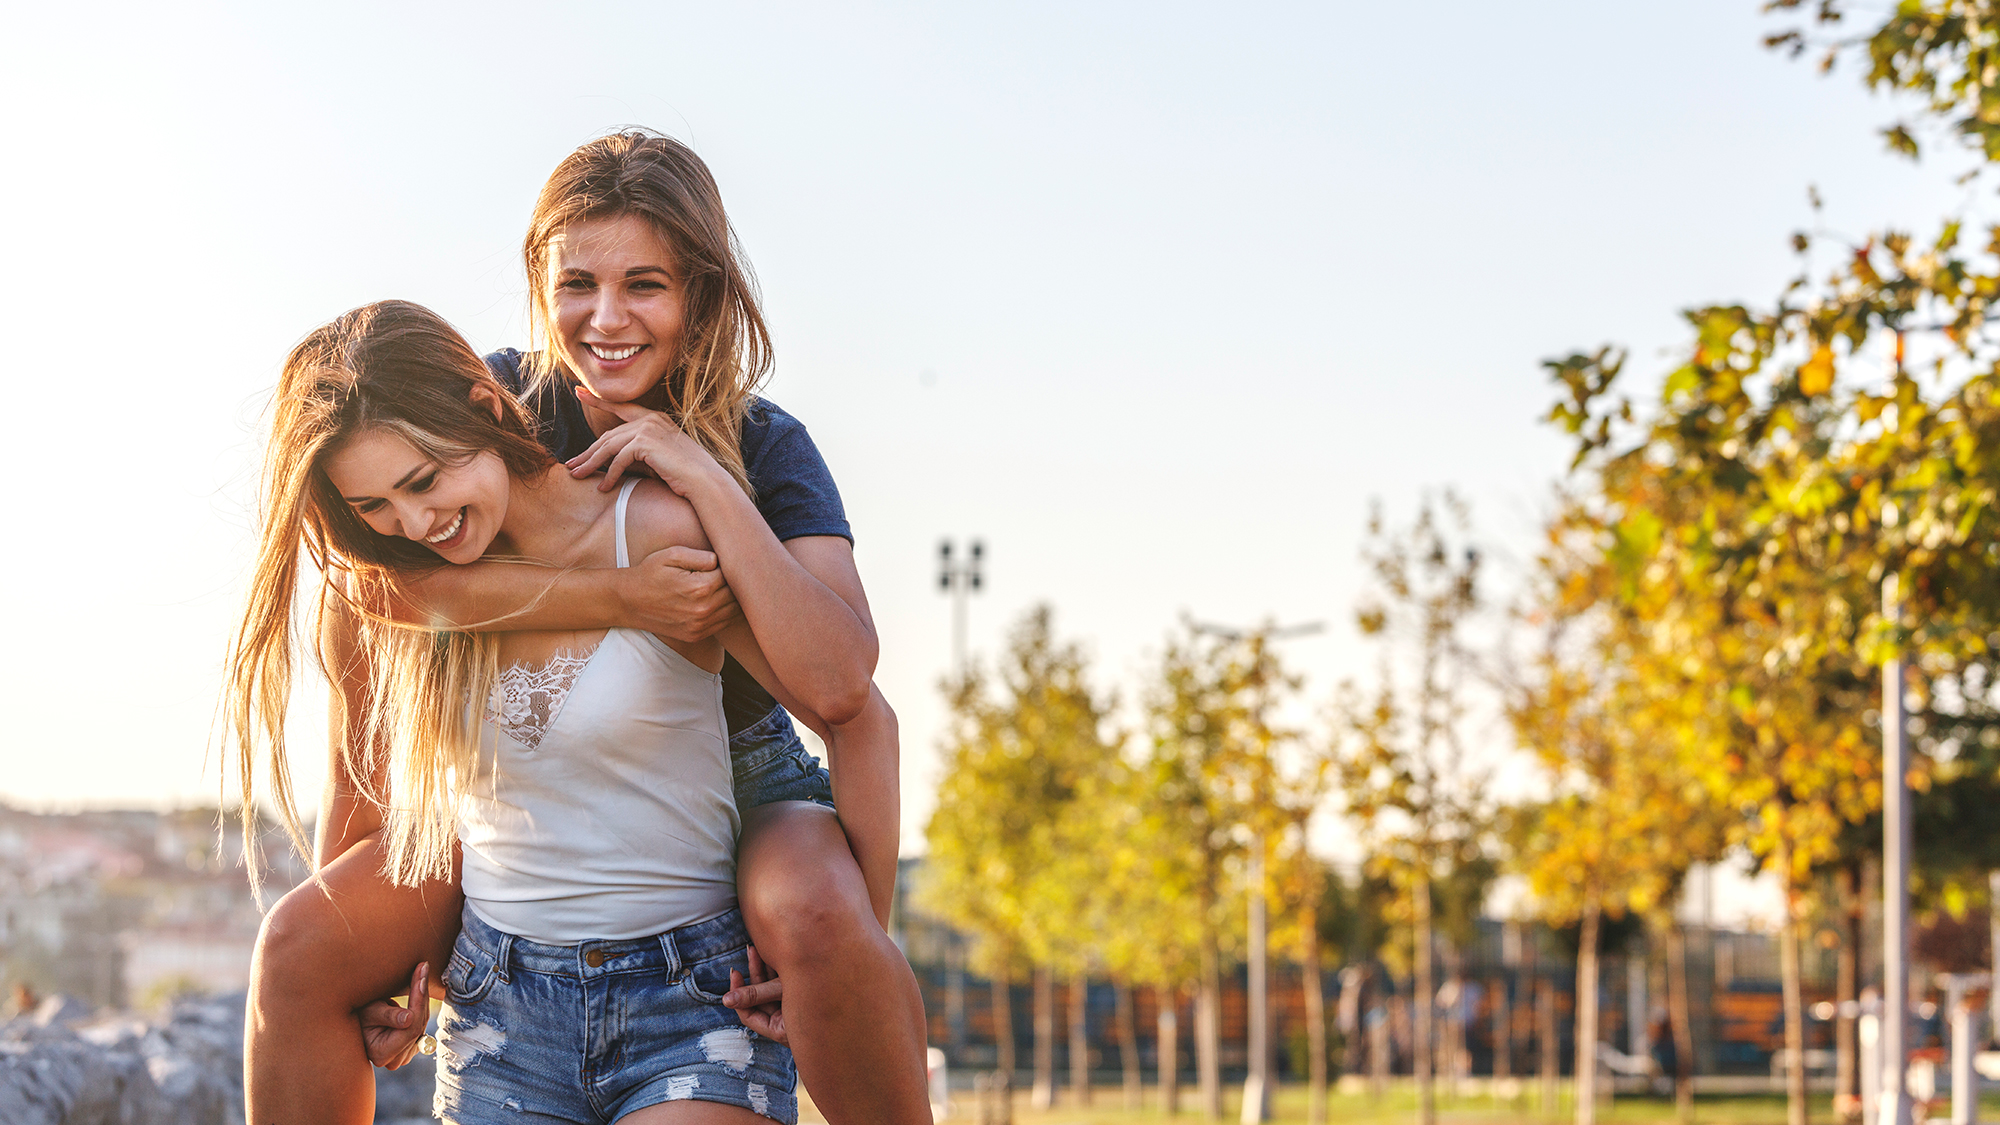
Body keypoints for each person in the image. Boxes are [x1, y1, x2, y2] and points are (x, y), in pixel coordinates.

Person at [231, 133, 930, 1124]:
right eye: (577, 286)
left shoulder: (762, 447)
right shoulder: (483, 408)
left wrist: (702, 480)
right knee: (302, 943)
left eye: (643, 285)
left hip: (740, 767)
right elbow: (373, 600)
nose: (606, 320)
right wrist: (619, 598)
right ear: (538, 285)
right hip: (528, 797)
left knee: (820, 911)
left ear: (701, 293)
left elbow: (844, 687)